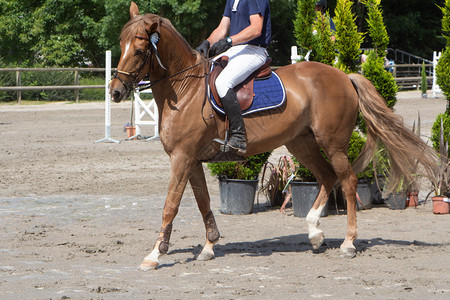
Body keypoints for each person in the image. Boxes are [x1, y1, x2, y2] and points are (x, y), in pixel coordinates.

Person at [196, 0, 271, 155]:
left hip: (253, 50)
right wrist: (207, 43)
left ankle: (238, 136)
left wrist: (230, 41)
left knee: (223, 82)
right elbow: (222, 29)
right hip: (236, 50)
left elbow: (256, 29)